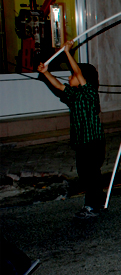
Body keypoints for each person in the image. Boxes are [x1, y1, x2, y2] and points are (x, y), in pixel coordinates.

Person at [37, 41, 106, 219]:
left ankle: (92, 206)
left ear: (83, 78)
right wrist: (45, 73)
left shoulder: (89, 93)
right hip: (81, 142)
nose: (69, 77)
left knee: (90, 174)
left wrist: (67, 53)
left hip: (93, 142)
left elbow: (78, 72)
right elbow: (58, 86)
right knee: (85, 174)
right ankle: (98, 199)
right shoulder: (74, 95)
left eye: (73, 75)